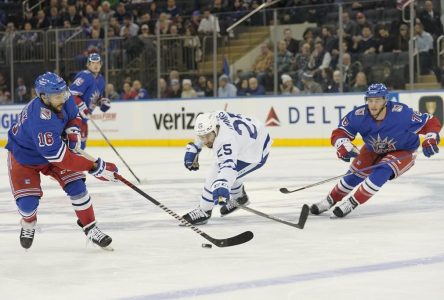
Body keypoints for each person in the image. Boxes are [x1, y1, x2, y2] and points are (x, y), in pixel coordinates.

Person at [5, 72, 118, 249]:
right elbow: (62, 159)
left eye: (63, 93)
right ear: (43, 97)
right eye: (57, 96)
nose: (63, 98)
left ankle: (90, 227)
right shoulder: (41, 120)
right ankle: (28, 222)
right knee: (28, 205)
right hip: (24, 157)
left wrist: (73, 133)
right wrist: (95, 166)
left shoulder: (65, 97)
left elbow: (74, 116)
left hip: (53, 150)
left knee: (77, 187)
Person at [310, 83, 441, 218]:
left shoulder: (402, 114)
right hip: (372, 148)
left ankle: (352, 202)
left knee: (383, 170)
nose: (373, 105)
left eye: (377, 100)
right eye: (370, 100)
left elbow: (430, 121)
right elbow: (340, 132)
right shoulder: (359, 115)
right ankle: (330, 200)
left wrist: (431, 137)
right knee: (353, 175)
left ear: (385, 100)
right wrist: (342, 144)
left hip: (403, 150)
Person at [182, 111, 272, 225]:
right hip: (252, 137)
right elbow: (204, 132)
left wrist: (222, 184)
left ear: (215, 129)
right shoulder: (214, 118)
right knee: (229, 173)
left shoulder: (225, 142)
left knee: (214, 175)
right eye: (202, 138)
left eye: (208, 137)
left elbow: (228, 168)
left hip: (255, 152)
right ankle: (240, 197)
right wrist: (196, 146)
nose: (206, 141)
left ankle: (204, 211)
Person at [69, 53, 111, 149]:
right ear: (88, 65)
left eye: (98, 63)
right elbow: (71, 95)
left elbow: (96, 97)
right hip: (74, 117)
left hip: (84, 118)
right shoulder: (84, 76)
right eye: (92, 63)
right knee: (74, 145)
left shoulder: (101, 79)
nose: (95, 65)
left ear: (101, 64)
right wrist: (82, 107)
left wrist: (101, 102)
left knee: (82, 145)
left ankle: (79, 163)